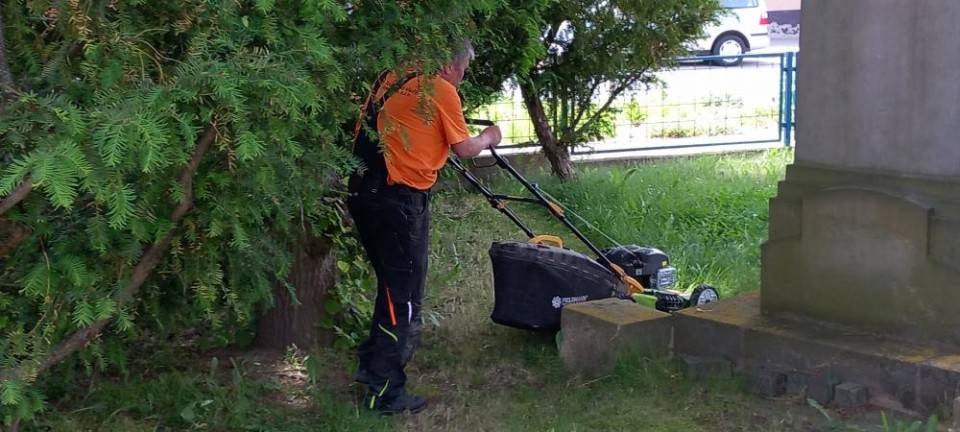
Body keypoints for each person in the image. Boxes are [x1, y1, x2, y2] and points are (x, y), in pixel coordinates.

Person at [346, 40, 502, 415]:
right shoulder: (440, 89)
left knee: (391, 285)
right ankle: (384, 393)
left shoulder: (393, 76)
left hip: (363, 191)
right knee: (404, 296)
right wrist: (490, 137)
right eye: (463, 70)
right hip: (398, 201)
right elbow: (464, 148)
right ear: (450, 65)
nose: (462, 78)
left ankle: (370, 365)